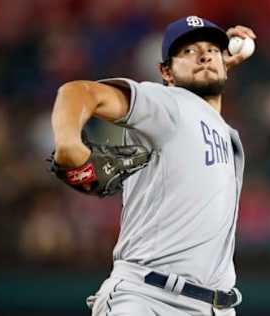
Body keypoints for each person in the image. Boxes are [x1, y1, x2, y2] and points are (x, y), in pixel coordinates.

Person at [51, 15, 255, 316]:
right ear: (166, 72)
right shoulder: (167, 103)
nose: (203, 55)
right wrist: (69, 143)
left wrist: (216, 61)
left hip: (214, 307)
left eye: (211, 49)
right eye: (187, 51)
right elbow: (78, 92)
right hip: (149, 298)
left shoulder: (222, 128)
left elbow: (209, 73)